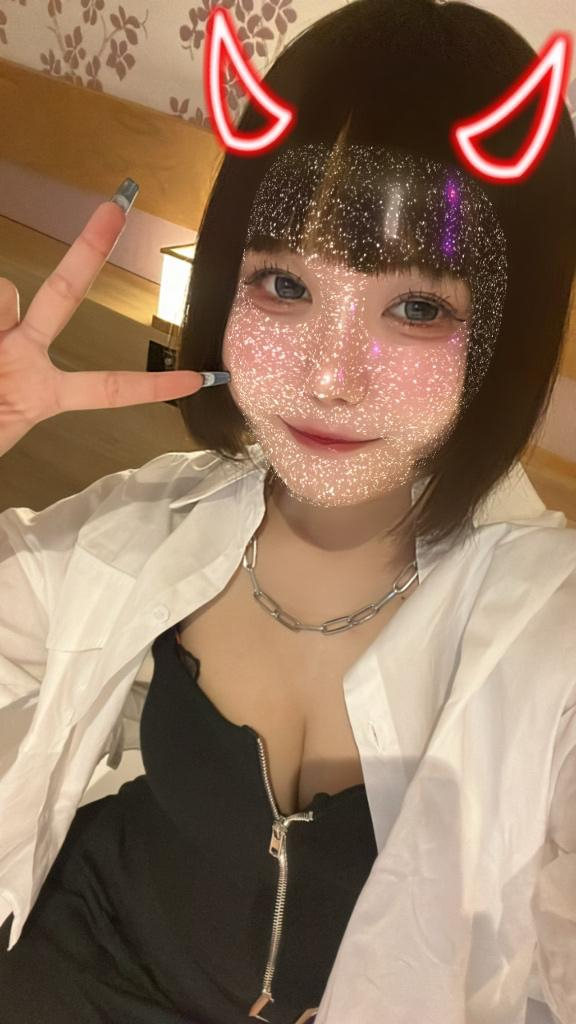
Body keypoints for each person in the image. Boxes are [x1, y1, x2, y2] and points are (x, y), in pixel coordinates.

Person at [0, 1, 575, 1022]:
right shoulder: (150, 521)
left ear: (507, 333)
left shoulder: (548, 636)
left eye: (418, 307)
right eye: (282, 284)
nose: (330, 377)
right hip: (83, 954)